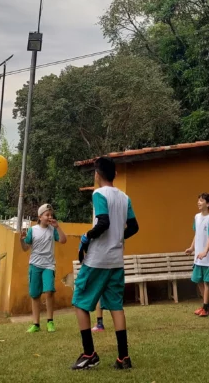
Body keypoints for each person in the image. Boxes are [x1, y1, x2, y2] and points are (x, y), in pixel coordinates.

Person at [71, 155, 139, 371]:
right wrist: (118, 237)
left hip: (97, 259)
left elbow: (103, 222)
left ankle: (89, 354)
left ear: (97, 175)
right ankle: (123, 357)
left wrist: (87, 236)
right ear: (115, 174)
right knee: (116, 306)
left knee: (79, 301)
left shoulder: (98, 194)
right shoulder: (125, 198)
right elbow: (134, 227)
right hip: (116, 261)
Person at [20, 202, 68, 333]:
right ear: (40, 217)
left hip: (49, 265)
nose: (50, 217)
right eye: (47, 215)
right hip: (35, 265)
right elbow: (25, 248)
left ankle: (50, 321)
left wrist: (58, 227)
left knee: (49, 291)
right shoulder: (32, 230)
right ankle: (36, 324)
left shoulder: (53, 230)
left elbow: (63, 240)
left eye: (51, 215)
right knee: (35, 295)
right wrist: (21, 240)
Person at [185, 192, 209, 317]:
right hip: (198, 257)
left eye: (201, 200)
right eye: (198, 200)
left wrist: (205, 251)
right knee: (198, 280)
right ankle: (207, 305)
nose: (198, 202)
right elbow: (197, 233)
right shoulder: (197, 217)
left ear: (208, 204)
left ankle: (205, 307)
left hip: (208, 257)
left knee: (207, 282)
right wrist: (192, 247)